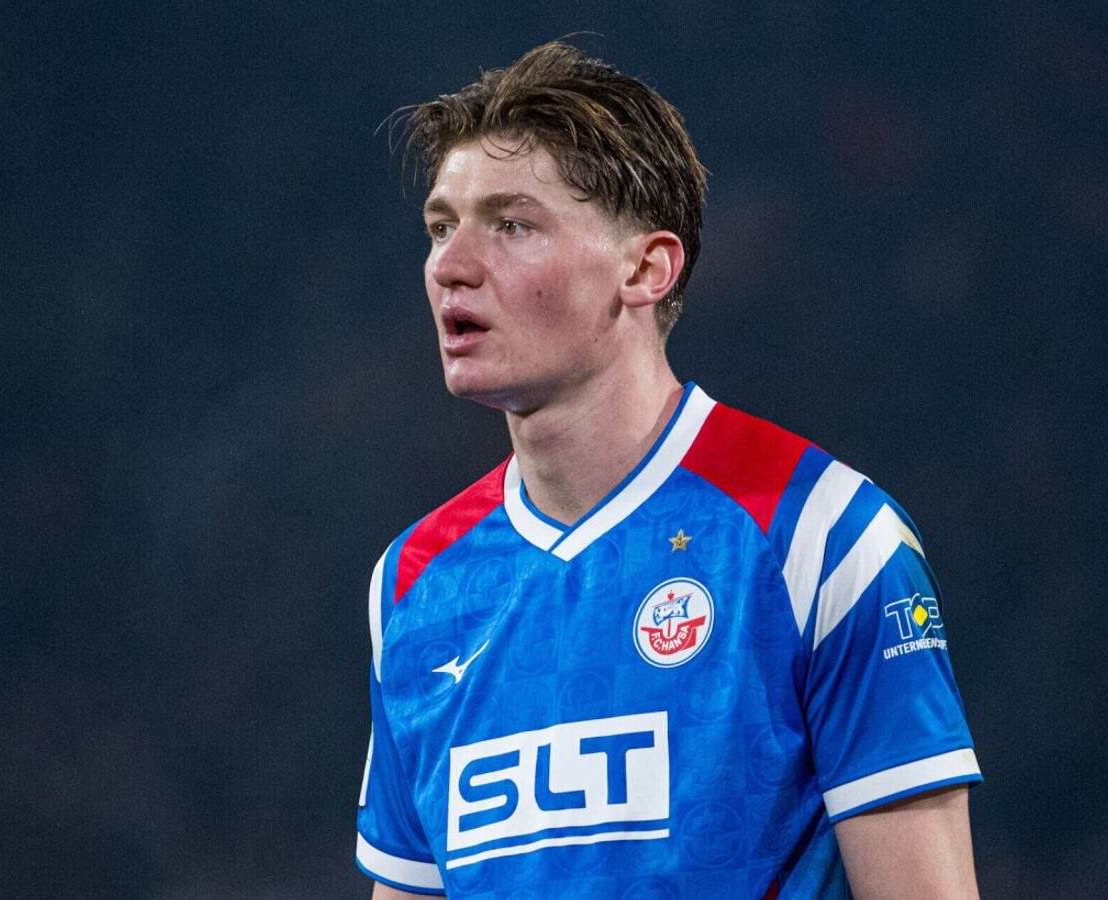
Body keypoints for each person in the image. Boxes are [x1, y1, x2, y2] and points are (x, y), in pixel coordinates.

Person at [356, 41, 982, 899]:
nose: (450, 266)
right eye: (440, 226)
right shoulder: (413, 583)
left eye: (512, 225)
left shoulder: (821, 535)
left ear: (646, 268)